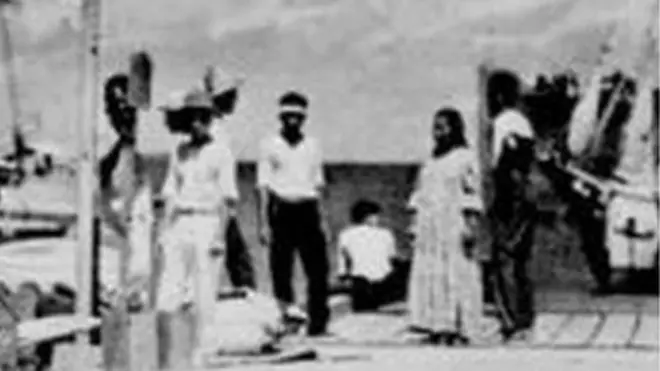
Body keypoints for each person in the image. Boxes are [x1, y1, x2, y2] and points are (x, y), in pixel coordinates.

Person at [157, 87, 239, 363]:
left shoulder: (221, 152)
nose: (197, 123)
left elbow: (229, 200)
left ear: (211, 119)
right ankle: (167, 348)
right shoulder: (179, 151)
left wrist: (219, 237)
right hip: (180, 221)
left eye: (203, 117)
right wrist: (163, 230)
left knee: (204, 292)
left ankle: (202, 352)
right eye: (193, 117)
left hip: (208, 222)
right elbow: (170, 191)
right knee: (170, 287)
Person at [406, 107, 489, 345]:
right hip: (429, 227)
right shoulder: (430, 161)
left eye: (443, 127)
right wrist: (414, 226)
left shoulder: (465, 158)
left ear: (455, 129)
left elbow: (472, 193)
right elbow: (419, 194)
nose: (438, 132)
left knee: (457, 273)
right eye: (435, 127)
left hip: (453, 224)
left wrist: (471, 227)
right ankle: (437, 325)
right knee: (432, 274)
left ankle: (459, 326)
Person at [256, 91, 330, 337]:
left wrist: (325, 220)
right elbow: (263, 187)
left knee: (318, 270)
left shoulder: (313, 145)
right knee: (281, 271)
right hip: (282, 210)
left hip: (308, 209)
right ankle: (287, 321)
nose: (292, 120)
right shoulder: (269, 145)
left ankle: (318, 324)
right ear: (281, 116)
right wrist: (263, 224)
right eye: (288, 116)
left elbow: (319, 185)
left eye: (297, 116)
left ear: (304, 118)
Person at [487, 70, 539, 342]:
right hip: (527, 192)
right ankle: (525, 318)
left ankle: (511, 321)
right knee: (521, 260)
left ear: (497, 95)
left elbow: (497, 163)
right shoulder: (523, 122)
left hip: (510, 192)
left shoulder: (502, 122)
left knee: (504, 257)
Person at [98, 73, 155, 311]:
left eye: (127, 104)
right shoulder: (103, 140)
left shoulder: (140, 138)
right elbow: (99, 177)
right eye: (117, 104)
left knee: (138, 287)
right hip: (113, 226)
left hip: (138, 222)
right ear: (108, 109)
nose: (124, 110)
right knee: (113, 291)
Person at [204, 66, 257, 291]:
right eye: (233, 95)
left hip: (220, 205)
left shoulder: (215, 126)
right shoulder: (213, 129)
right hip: (216, 205)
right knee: (238, 263)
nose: (236, 100)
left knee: (237, 261)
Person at [336, 200, 399, 312]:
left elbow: (342, 263)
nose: (378, 219)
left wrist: (343, 276)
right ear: (369, 217)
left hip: (361, 283)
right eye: (376, 216)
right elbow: (392, 258)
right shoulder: (386, 233)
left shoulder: (345, 234)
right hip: (385, 283)